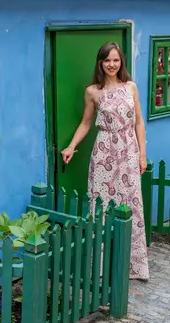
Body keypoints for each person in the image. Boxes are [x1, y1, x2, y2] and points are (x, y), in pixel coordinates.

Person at [60, 42, 149, 281]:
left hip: (128, 149)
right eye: (107, 60)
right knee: (101, 206)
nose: (112, 64)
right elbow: (86, 122)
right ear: (100, 62)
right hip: (104, 152)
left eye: (116, 60)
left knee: (130, 203)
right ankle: (99, 266)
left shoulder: (131, 87)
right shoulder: (93, 91)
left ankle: (133, 265)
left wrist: (142, 154)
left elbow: (139, 122)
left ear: (122, 63)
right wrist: (71, 145)